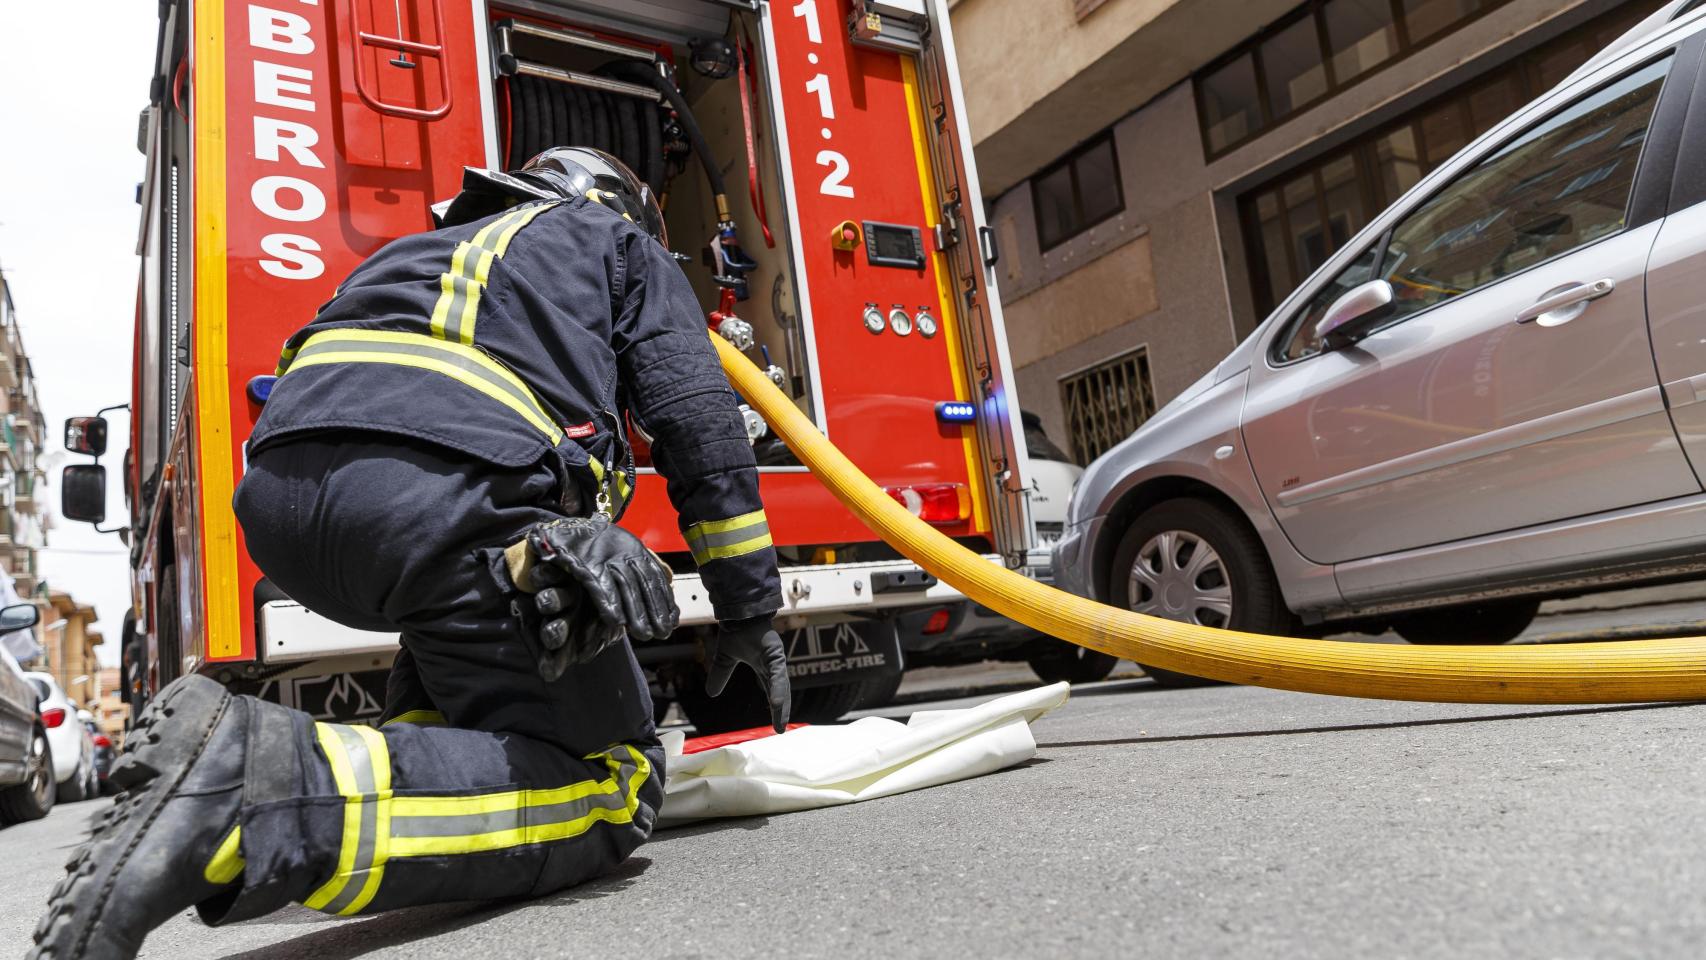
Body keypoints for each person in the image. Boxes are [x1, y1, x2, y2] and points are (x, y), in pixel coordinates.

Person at [31, 148, 790, 960]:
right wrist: (748, 608)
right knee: (616, 781)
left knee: (466, 624)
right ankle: (255, 793)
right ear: (616, 204)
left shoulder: (402, 257)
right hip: (444, 493)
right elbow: (698, 424)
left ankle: (405, 767)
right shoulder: (617, 241)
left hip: (284, 511)